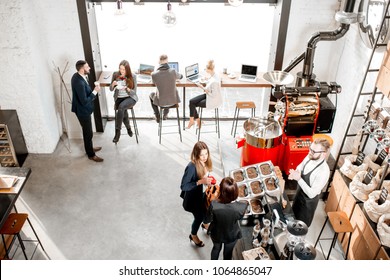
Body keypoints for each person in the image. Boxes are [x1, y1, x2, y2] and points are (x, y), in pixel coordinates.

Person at [288, 138, 331, 227]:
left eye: (314, 151)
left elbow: (311, 194)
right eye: (310, 149)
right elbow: (301, 165)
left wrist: (299, 179)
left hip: (307, 205)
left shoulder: (323, 172)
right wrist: (297, 172)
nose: (310, 152)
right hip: (299, 195)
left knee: (300, 227)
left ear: (323, 154)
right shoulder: (310, 156)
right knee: (292, 218)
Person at [204, 177, 248, 260]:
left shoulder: (214, 205)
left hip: (216, 233)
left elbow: (207, 219)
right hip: (231, 234)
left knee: (216, 249)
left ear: (221, 191)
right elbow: (240, 217)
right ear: (236, 192)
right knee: (228, 254)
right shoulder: (242, 206)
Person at [180, 141, 213, 248]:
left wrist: (208, 182)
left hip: (199, 194)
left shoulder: (205, 163)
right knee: (198, 217)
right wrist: (200, 182)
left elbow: (205, 176)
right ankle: (193, 235)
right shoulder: (191, 167)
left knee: (207, 209)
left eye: (206, 154)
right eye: (201, 155)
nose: (204, 157)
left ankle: (205, 224)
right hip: (191, 199)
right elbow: (184, 186)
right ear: (196, 154)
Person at [71, 60, 103, 162]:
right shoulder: (79, 82)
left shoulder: (78, 76)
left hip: (82, 109)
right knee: (88, 133)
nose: (89, 68)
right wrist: (95, 91)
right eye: (87, 67)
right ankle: (91, 154)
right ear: (81, 69)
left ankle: (89, 148)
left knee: (88, 132)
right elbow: (84, 101)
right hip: (82, 111)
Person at [187, 60, 222, 129]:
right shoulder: (215, 75)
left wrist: (204, 89)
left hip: (212, 100)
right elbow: (212, 82)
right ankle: (195, 121)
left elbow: (213, 95)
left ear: (209, 69)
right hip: (209, 96)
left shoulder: (215, 81)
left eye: (206, 69)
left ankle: (194, 121)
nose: (205, 70)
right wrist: (207, 79)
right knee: (191, 102)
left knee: (192, 104)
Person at [109, 60, 138, 143]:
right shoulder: (115, 74)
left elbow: (134, 92)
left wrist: (129, 89)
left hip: (130, 98)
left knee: (121, 108)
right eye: (120, 69)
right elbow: (111, 89)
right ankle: (129, 128)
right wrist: (113, 84)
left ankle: (117, 132)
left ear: (127, 70)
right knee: (123, 111)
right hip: (119, 98)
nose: (121, 71)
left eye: (123, 69)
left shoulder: (133, 76)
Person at [149, 54, 183, 123]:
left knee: (151, 94)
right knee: (169, 92)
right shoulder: (173, 71)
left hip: (161, 103)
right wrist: (173, 79)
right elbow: (181, 76)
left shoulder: (154, 74)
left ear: (159, 62)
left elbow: (154, 83)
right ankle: (165, 114)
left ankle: (157, 115)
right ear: (167, 61)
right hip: (173, 101)